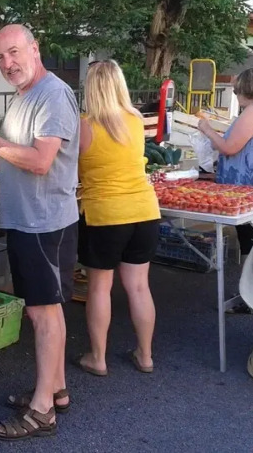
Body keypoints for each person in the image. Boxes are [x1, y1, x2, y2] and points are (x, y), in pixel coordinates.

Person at [0, 24, 78, 441]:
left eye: (13, 52)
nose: (7, 63)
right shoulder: (23, 96)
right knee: (43, 309)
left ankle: (42, 411)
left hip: (44, 221)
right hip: (28, 219)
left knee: (45, 314)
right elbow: (6, 152)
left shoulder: (53, 94)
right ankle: (56, 389)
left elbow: (41, 161)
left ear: (34, 48)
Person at [75, 60, 160, 378]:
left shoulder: (84, 126)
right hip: (144, 210)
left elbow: (72, 170)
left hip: (105, 215)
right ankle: (145, 355)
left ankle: (98, 358)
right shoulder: (136, 119)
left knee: (99, 288)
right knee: (139, 287)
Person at [198, 68, 253, 255]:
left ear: (248, 89)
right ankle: (252, 270)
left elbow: (230, 147)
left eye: (237, 91)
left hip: (248, 187)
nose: (236, 95)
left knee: (250, 241)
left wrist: (207, 130)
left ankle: (248, 273)